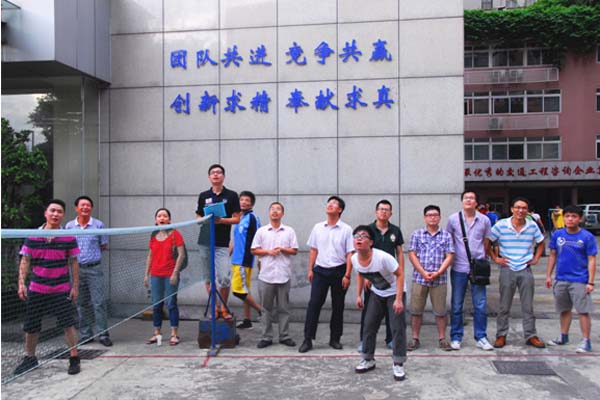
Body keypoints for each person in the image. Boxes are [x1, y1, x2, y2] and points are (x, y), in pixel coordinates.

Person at [14, 199, 81, 375]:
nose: (55, 214)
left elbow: (74, 262)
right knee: (31, 325)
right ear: (46, 213)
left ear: (63, 215)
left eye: (59, 211)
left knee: (68, 324)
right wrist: (21, 283)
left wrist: (75, 286)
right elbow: (25, 260)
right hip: (37, 289)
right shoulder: (32, 236)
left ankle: (74, 358)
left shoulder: (68, 236)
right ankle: (30, 358)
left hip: (61, 289)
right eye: (52, 210)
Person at [298, 196, 354, 353]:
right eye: (329, 203)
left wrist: (347, 275)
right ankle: (308, 339)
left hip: (339, 271)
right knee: (314, 304)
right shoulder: (318, 227)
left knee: (338, 305)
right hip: (320, 271)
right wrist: (310, 269)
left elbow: (350, 253)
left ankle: (335, 338)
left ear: (340, 209)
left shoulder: (346, 229)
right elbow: (313, 249)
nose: (330, 205)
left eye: (334, 204)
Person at [353, 225, 407, 381]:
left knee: (397, 327)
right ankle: (368, 359)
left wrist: (398, 299)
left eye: (363, 236)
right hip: (377, 292)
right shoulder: (354, 258)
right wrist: (358, 295)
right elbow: (360, 274)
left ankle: (398, 363)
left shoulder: (383, 257)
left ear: (371, 242)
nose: (359, 239)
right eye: (356, 236)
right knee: (369, 324)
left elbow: (400, 275)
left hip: (395, 292)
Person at [491, 197, 546, 349]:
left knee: (528, 305)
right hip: (507, 268)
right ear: (512, 209)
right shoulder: (501, 225)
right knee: (504, 305)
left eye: (524, 208)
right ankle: (501, 335)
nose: (520, 210)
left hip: (525, 268)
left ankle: (531, 335)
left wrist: (536, 258)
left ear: (527, 211)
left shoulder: (532, 225)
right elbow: (487, 241)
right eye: (517, 207)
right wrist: (495, 258)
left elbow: (541, 242)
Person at [545, 205, 597, 353]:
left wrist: (590, 281)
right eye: (567, 216)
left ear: (580, 219)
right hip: (561, 278)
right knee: (564, 309)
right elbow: (553, 255)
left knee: (583, 311)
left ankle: (586, 340)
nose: (570, 219)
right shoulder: (558, 235)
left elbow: (592, 259)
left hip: (579, 279)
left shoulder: (587, 237)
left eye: (574, 216)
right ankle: (563, 335)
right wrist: (549, 275)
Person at [446, 191, 494, 351]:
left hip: (478, 268)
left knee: (480, 304)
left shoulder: (484, 220)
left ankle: (481, 337)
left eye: (472, 198)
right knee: (456, 305)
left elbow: (486, 242)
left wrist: (480, 259)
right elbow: (450, 241)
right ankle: (456, 337)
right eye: (466, 198)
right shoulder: (453, 219)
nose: (469, 200)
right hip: (458, 267)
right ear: (462, 201)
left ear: (476, 203)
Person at [356, 200, 404, 352]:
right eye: (381, 209)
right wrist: (366, 278)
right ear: (376, 212)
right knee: (369, 312)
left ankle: (390, 339)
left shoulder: (395, 230)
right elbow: (362, 255)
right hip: (372, 276)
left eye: (387, 209)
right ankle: (364, 341)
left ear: (391, 213)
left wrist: (401, 269)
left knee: (392, 311)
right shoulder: (368, 230)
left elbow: (399, 252)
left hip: (391, 274)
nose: (384, 212)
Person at [195, 164, 241, 320]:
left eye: (219, 172)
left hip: (222, 243)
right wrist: (205, 220)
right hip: (205, 241)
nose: (216, 175)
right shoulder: (203, 196)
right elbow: (198, 217)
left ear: (223, 176)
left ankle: (223, 307)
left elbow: (237, 219)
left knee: (224, 278)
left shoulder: (232, 195)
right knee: (208, 277)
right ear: (209, 177)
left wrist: (221, 220)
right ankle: (214, 307)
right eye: (213, 173)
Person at [251, 202, 299, 348]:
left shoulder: (289, 231)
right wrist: (268, 252)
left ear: (282, 213)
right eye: (272, 209)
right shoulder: (262, 231)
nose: (275, 211)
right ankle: (266, 337)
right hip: (266, 275)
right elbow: (253, 250)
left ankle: (284, 336)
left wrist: (283, 249)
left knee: (283, 308)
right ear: (269, 213)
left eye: (278, 209)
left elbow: (294, 250)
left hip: (283, 275)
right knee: (266, 308)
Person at [65, 195, 111, 347]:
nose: (85, 207)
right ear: (76, 208)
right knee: (81, 303)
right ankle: (86, 335)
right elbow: (67, 248)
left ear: (91, 208)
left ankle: (103, 334)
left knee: (99, 303)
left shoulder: (99, 225)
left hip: (94, 269)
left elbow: (103, 245)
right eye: (82, 205)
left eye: (88, 205)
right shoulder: (69, 227)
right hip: (76, 270)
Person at [407, 205, 454, 351]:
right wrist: (423, 272)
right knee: (416, 310)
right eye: (429, 215)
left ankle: (442, 339)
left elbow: (450, 256)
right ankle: (415, 338)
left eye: (435, 215)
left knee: (440, 311)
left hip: (439, 279)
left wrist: (438, 272)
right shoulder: (417, 234)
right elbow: (412, 254)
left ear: (439, 217)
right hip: (419, 278)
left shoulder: (446, 235)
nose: (432, 217)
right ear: (424, 218)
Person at [144, 208, 185, 346]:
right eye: (159, 216)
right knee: (156, 304)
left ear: (169, 220)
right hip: (156, 274)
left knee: (171, 303)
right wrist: (146, 274)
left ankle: (174, 334)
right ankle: (157, 333)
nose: (162, 218)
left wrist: (175, 272)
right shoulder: (153, 235)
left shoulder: (175, 234)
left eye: (165, 216)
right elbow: (150, 256)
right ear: (156, 220)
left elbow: (181, 255)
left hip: (170, 274)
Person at [230, 191, 263, 329]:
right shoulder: (239, 218)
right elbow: (236, 237)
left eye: (247, 200)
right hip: (236, 259)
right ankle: (247, 320)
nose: (243, 202)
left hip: (244, 259)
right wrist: (230, 249)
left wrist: (260, 258)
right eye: (241, 199)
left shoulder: (252, 218)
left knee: (238, 291)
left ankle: (262, 311)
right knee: (245, 290)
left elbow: (259, 237)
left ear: (252, 204)